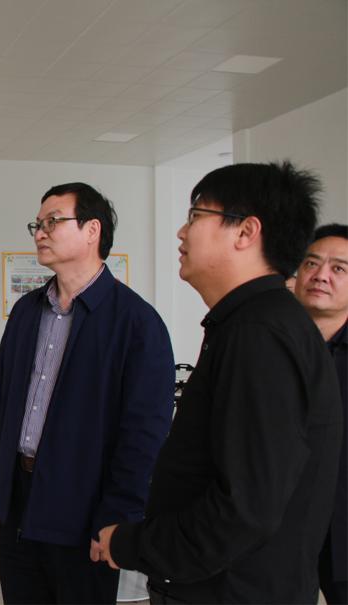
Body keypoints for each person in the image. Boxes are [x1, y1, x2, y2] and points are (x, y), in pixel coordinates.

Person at [97, 162, 343, 604]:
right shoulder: (251, 323)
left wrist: (133, 545)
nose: (181, 232)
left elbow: (245, 508)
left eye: (195, 216)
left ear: (246, 231)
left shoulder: (261, 334)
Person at [0, 182, 175, 604]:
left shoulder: (137, 322)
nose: (40, 232)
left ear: (92, 230)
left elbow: (144, 435)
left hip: (84, 507)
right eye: (37, 224)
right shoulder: (26, 311)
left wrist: (119, 515)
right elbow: (5, 402)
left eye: (53, 221)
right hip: (19, 498)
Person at [295, 223, 348, 605]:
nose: (321, 275)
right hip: (281, 531)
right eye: (311, 263)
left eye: (339, 268)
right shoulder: (270, 344)